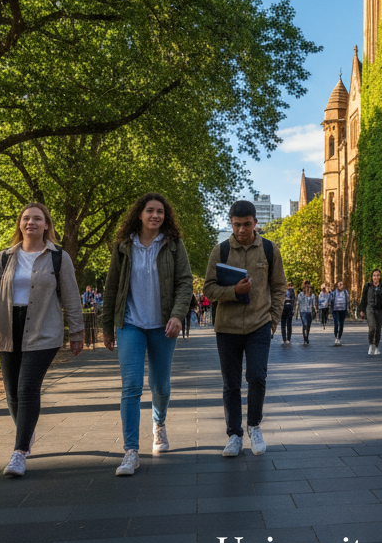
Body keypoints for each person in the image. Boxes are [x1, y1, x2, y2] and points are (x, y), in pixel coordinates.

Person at [0, 202, 84, 478]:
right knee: (12, 393)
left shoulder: (59, 257)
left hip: (43, 329)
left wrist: (77, 333)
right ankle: (26, 433)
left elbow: (71, 296)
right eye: (26, 218)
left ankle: (19, 452)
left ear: (46, 225)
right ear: (20, 224)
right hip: (8, 328)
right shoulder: (5, 257)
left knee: (27, 387)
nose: (31, 222)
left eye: (37, 219)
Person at [102, 193, 192, 476]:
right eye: (150, 211)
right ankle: (131, 451)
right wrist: (107, 326)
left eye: (160, 212)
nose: (155, 215)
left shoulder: (173, 244)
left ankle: (159, 423)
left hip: (163, 325)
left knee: (160, 386)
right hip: (130, 324)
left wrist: (177, 315)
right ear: (139, 214)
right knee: (131, 386)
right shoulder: (123, 246)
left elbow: (184, 283)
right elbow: (111, 287)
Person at [203, 200, 286, 458]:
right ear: (231, 223)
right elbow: (208, 289)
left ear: (255, 223)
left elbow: (279, 287)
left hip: (259, 325)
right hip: (227, 327)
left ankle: (254, 426)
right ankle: (234, 435)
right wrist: (234, 291)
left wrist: (272, 322)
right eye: (237, 225)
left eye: (247, 224)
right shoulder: (221, 251)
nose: (241, 230)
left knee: (257, 376)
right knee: (231, 384)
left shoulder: (269, 249)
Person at [359, 269, 382, 355]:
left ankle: (376, 346)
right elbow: (363, 299)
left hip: (380, 310)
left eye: (377, 275)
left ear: (380, 277)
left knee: (378, 329)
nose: (376, 277)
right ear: (372, 277)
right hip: (370, 309)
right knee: (372, 327)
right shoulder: (367, 286)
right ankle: (371, 345)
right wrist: (362, 310)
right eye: (374, 275)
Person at [329, 280, 349, 345]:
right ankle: (336, 337)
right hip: (335, 310)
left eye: (342, 284)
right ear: (337, 285)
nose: (341, 285)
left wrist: (347, 308)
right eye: (339, 284)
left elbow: (348, 300)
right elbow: (330, 299)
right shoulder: (334, 292)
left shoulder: (345, 292)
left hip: (343, 310)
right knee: (336, 323)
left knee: (341, 324)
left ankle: (339, 338)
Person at [297, 280, 317, 344]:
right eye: (307, 287)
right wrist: (297, 312)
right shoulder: (301, 295)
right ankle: (305, 339)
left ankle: (307, 336)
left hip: (309, 311)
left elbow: (313, 304)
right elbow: (298, 303)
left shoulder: (312, 295)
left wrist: (316, 311)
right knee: (305, 324)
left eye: (309, 287)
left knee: (308, 325)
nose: (308, 289)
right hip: (303, 311)